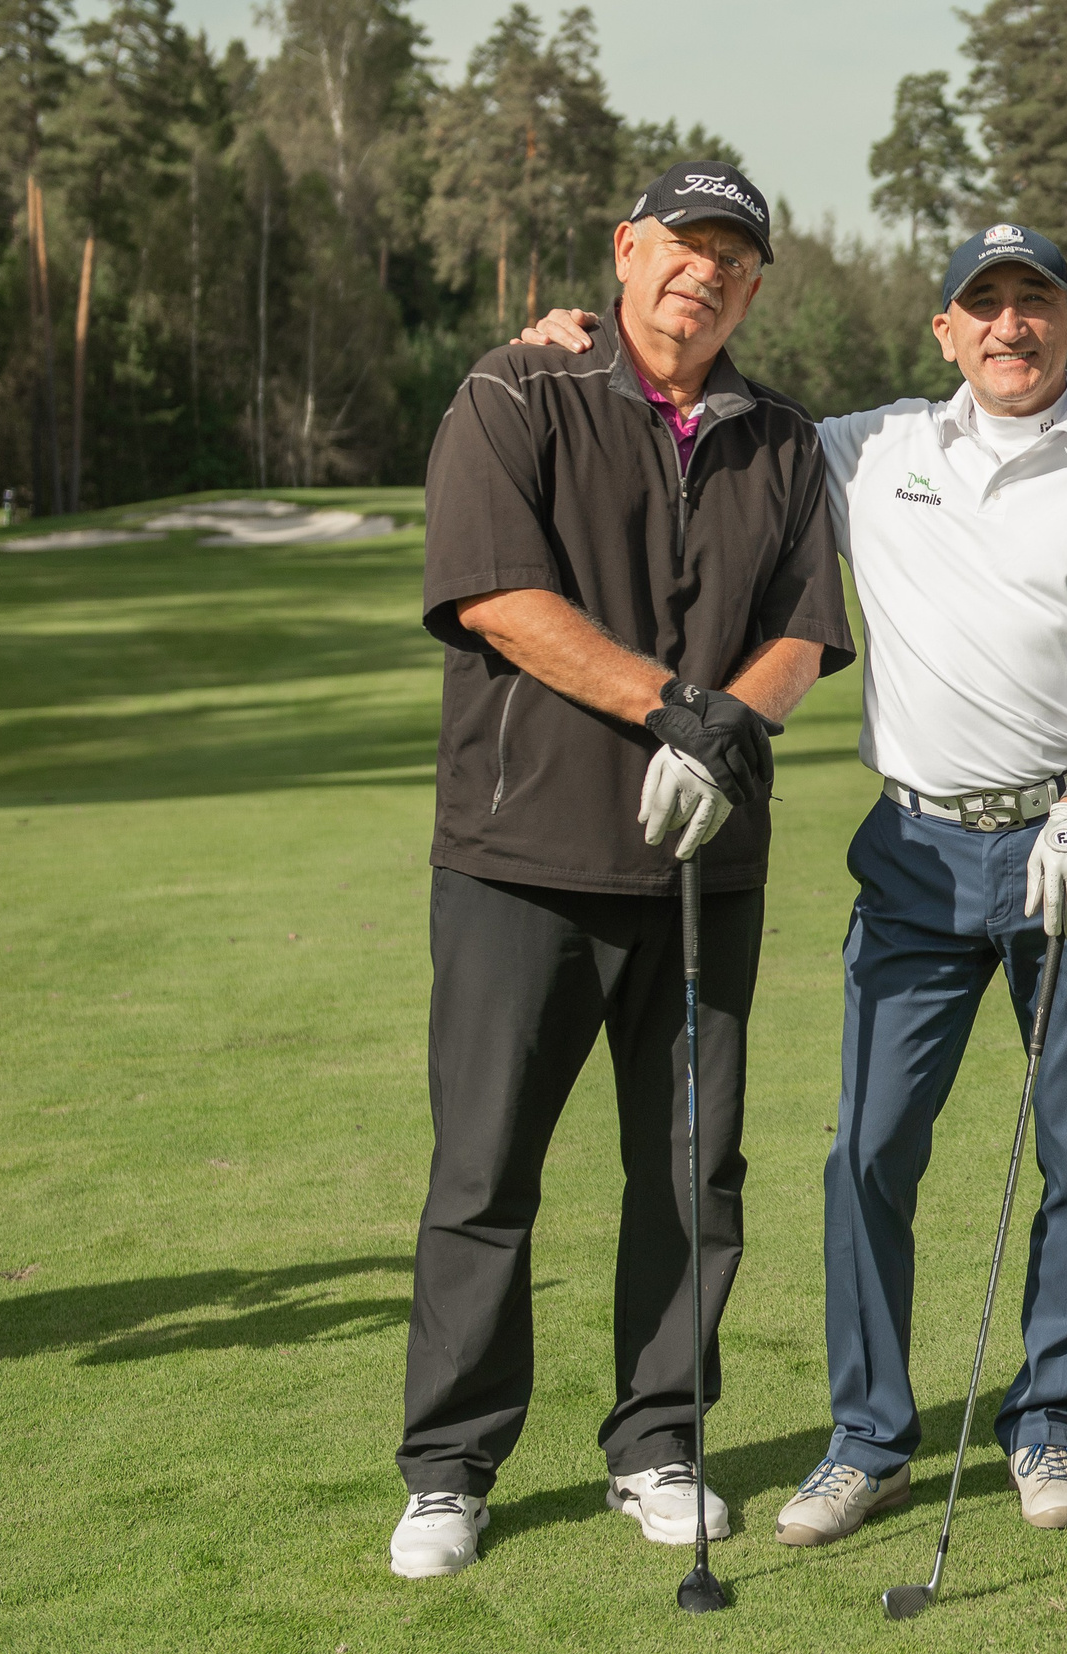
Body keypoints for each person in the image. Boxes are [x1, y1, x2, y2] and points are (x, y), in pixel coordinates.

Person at [516, 222, 1067, 1542]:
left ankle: (1050, 1426)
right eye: (982, 306)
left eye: (1033, 303)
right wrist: (581, 346)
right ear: (943, 329)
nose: (1010, 327)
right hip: (916, 856)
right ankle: (869, 1439)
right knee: (868, 1154)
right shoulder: (867, 447)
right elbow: (703, 404)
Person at [389, 161, 854, 1581]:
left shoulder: (778, 435)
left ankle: (659, 1441)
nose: (701, 274)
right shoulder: (516, 393)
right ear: (625, 250)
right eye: (680, 246)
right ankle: (451, 1469)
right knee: (484, 1173)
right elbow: (495, 595)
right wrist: (671, 706)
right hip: (521, 859)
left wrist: (728, 733)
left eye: (732, 257)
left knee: (692, 1176)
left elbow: (805, 624)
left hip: (707, 868)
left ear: (756, 284)